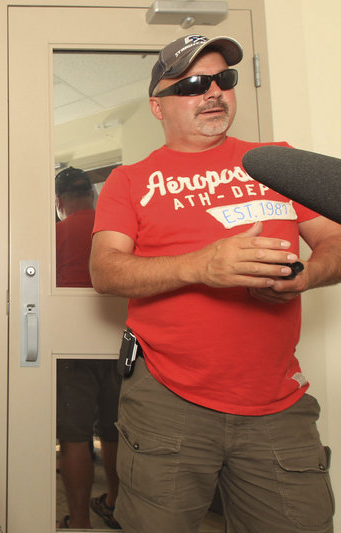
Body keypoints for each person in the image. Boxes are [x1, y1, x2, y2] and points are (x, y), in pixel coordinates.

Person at [90, 34, 341, 533]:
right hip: (167, 400)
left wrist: (306, 277)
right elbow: (105, 271)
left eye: (223, 80)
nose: (214, 92)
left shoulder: (277, 161)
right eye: (193, 84)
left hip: (276, 402)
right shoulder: (130, 180)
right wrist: (201, 265)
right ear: (157, 106)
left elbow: (335, 240)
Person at [54, 166, 121, 529]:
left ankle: (79, 522)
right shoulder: (113, 230)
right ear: (93, 195)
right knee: (114, 429)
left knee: (75, 435)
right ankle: (114, 502)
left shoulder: (56, 233)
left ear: (60, 201)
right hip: (117, 337)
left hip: (70, 342)